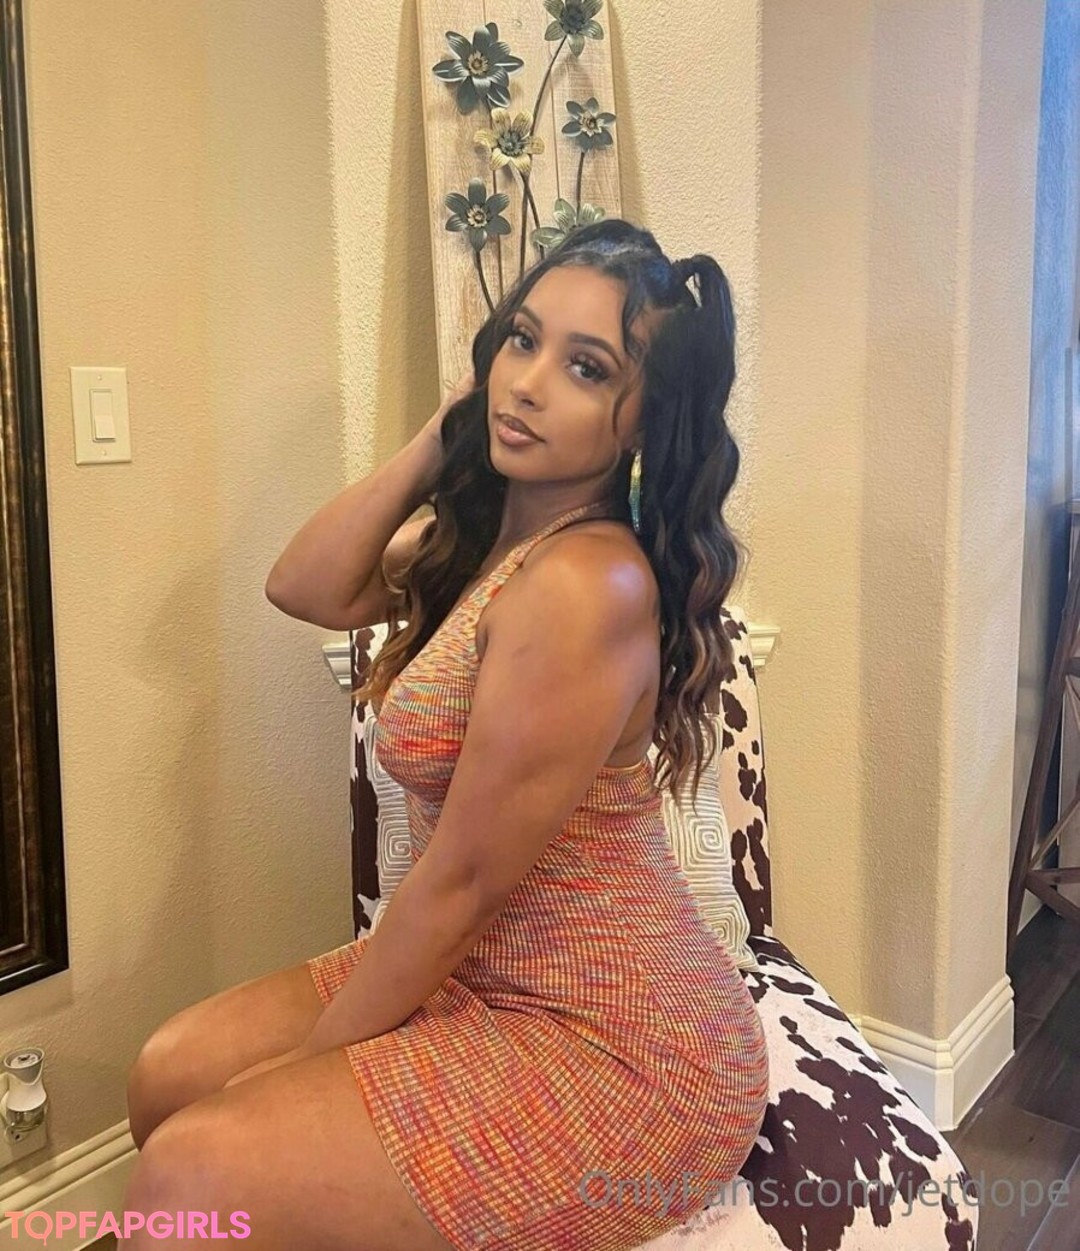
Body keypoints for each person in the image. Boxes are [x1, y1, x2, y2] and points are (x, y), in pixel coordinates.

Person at [120, 218, 768, 1251]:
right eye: (522, 339)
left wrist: (304, 1073)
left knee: (188, 1168)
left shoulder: (586, 584)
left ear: (644, 421)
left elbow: (461, 884)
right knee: (167, 1075)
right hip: (476, 975)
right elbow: (302, 584)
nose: (528, 383)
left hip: (620, 1041)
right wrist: (445, 432)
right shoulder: (487, 542)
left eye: (587, 367)